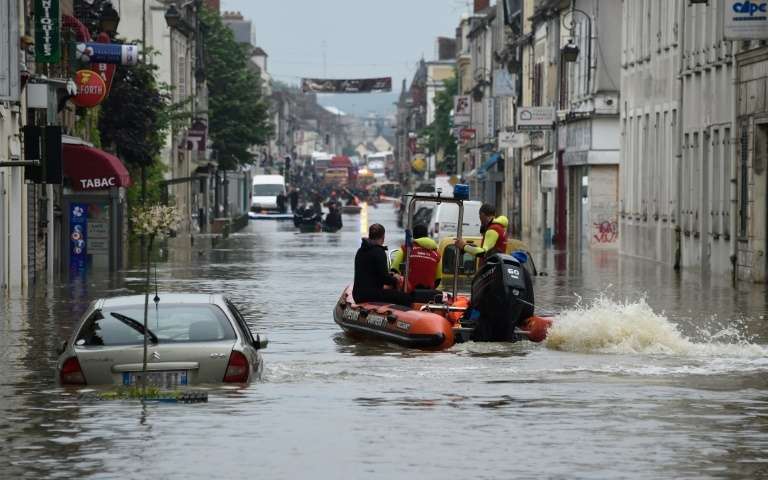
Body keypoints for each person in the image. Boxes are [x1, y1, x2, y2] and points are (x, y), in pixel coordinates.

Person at [353, 224, 411, 306]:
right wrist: (396, 279)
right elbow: (385, 279)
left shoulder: (361, 250)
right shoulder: (379, 252)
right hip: (371, 295)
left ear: (370, 235)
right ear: (383, 237)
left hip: (357, 295)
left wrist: (390, 275)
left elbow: (371, 272)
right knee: (405, 297)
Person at [390, 224, 442, 292]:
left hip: (407, 292)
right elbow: (438, 279)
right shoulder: (437, 254)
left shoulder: (406, 249)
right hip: (427, 294)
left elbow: (394, 271)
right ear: (427, 236)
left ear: (413, 236)